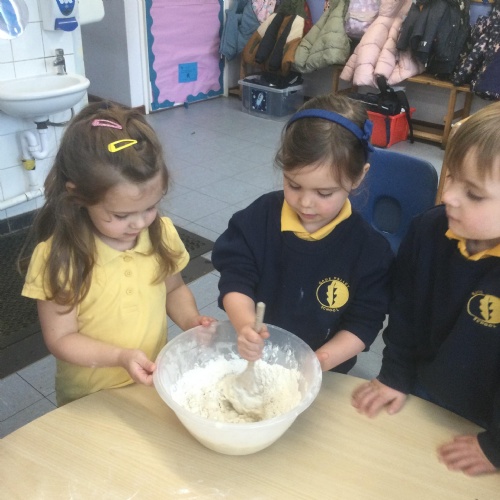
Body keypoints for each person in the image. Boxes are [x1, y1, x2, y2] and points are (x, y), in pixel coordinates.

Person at [21, 101, 213, 406]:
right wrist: (119, 357)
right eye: (121, 215)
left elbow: (174, 289)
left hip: (149, 382)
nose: (139, 223)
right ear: (78, 196)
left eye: (150, 207)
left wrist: (191, 321)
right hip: (89, 396)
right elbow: (61, 338)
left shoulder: (160, 234)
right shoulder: (59, 258)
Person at [352, 102, 500, 476]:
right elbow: (405, 315)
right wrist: (395, 375)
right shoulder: (428, 231)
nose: (448, 195)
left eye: (474, 193)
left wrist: (497, 448)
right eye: (450, 176)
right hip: (426, 389)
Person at [211, 94, 394, 373]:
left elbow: (364, 322)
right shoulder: (259, 219)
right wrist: (246, 325)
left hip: (324, 370)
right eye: (294, 185)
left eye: (324, 193)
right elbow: (236, 278)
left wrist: (320, 361)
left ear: (358, 176)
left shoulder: (370, 251)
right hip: (256, 360)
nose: (306, 203)